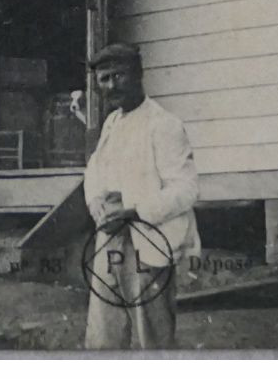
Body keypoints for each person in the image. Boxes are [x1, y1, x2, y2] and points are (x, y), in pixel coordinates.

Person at [80, 42, 200, 350]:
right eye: (104, 79)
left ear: (138, 74)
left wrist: (135, 211)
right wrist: (96, 204)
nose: (111, 85)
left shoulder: (164, 125)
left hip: (149, 240)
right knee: (104, 334)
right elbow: (94, 169)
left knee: (153, 337)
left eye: (119, 76)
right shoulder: (112, 123)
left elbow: (186, 190)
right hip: (111, 239)